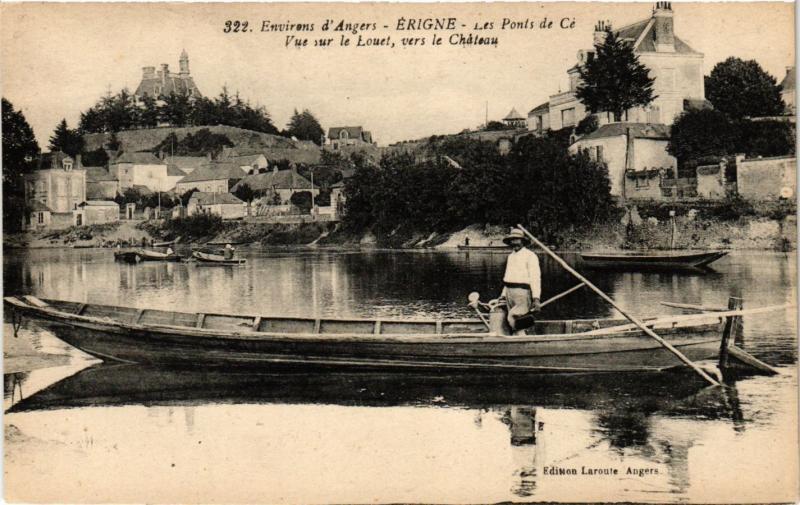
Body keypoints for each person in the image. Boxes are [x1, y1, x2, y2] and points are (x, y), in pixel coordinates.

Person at [500, 228, 541, 335]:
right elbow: (508, 277)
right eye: (512, 240)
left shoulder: (530, 256)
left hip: (522, 293)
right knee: (513, 321)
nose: (514, 243)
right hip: (509, 292)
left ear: (523, 241)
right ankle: (517, 338)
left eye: (517, 240)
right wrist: (503, 295)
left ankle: (523, 341)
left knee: (517, 318)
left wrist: (536, 298)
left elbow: (535, 278)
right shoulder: (510, 256)